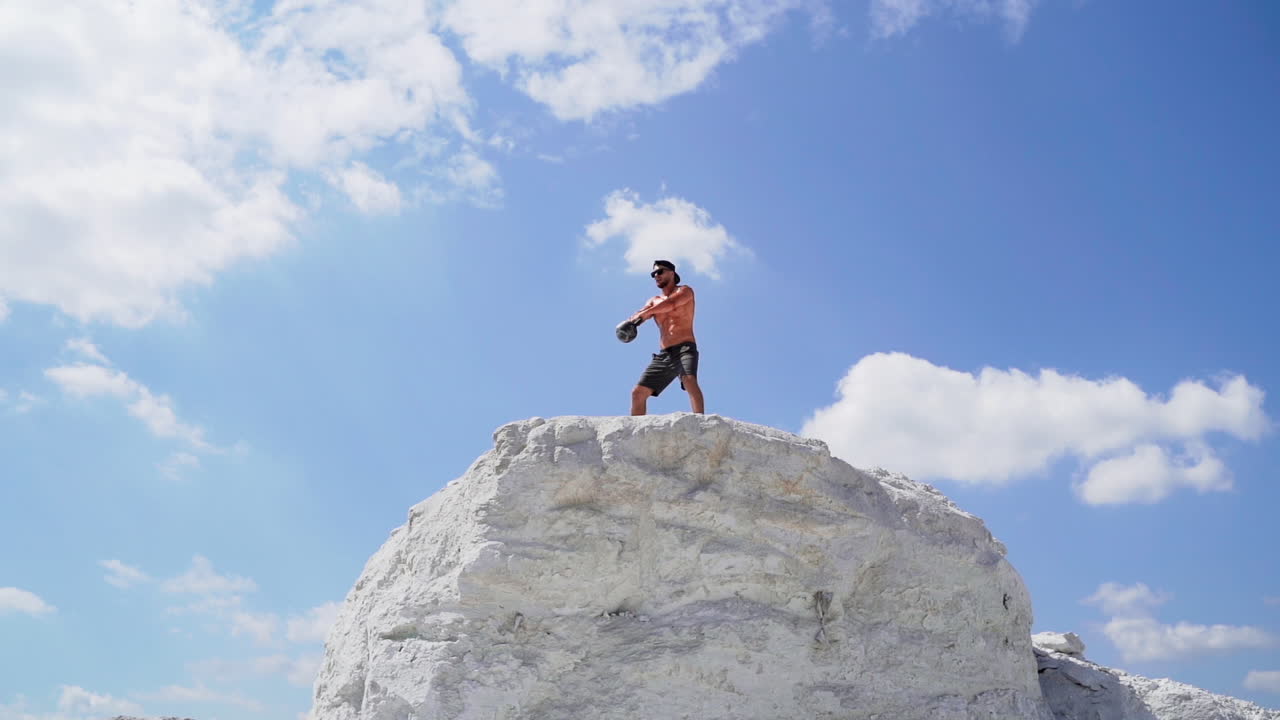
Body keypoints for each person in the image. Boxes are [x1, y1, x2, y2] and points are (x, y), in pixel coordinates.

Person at [626, 260, 704, 416]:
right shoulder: (653, 301)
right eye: (653, 274)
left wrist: (645, 314)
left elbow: (672, 304)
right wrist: (630, 323)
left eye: (660, 272)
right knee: (638, 393)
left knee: (689, 380)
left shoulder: (685, 291)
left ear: (672, 273)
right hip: (665, 354)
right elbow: (640, 314)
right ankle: (636, 435)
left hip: (685, 348)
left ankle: (701, 423)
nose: (656, 276)